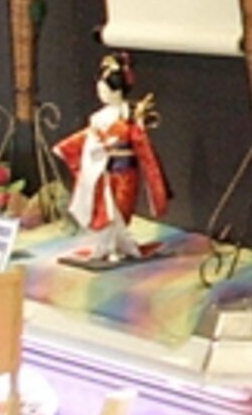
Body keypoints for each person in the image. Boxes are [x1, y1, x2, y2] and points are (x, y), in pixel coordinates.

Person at [56, 50, 169, 265]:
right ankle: (105, 246)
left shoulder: (128, 116)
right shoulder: (99, 117)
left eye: (104, 89)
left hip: (125, 169)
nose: (101, 93)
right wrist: (68, 147)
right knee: (105, 209)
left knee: (121, 209)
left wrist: (131, 129)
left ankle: (118, 245)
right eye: (99, 89)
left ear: (117, 91)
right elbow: (87, 138)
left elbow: (134, 138)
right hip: (103, 169)